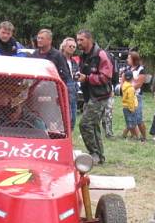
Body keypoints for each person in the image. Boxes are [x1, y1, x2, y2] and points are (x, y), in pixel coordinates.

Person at [75, 29, 113, 164]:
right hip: (88, 95)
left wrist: (87, 78)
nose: (78, 42)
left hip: (100, 96)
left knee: (85, 124)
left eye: (81, 40)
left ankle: (94, 153)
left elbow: (107, 77)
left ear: (89, 40)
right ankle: (99, 157)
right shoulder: (83, 55)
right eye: (77, 39)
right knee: (94, 126)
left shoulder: (101, 54)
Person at [122, 51, 147, 142]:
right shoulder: (127, 68)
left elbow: (139, 83)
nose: (127, 59)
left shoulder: (141, 69)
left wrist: (129, 89)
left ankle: (144, 137)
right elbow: (123, 81)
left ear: (134, 59)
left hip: (137, 96)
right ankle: (135, 136)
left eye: (129, 58)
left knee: (138, 118)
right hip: (127, 96)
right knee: (130, 117)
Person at [59, 37, 78, 131]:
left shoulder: (74, 62)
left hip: (73, 93)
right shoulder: (58, 59)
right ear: (64, 47)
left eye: (74, 47)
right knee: (64, 119)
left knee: (73, 119)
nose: (72, 48)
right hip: (61, 92)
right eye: (70, 46)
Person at [120, 70, 140, 140]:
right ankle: (138, 138)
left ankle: (126, 135)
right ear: (132, 78)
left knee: (129, 124)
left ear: (125, 78)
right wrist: (132, 109)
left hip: (125, 107)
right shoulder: (131, 88)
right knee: (134, 124)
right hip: (131, 108)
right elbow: (131, 100)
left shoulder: (124, 86)